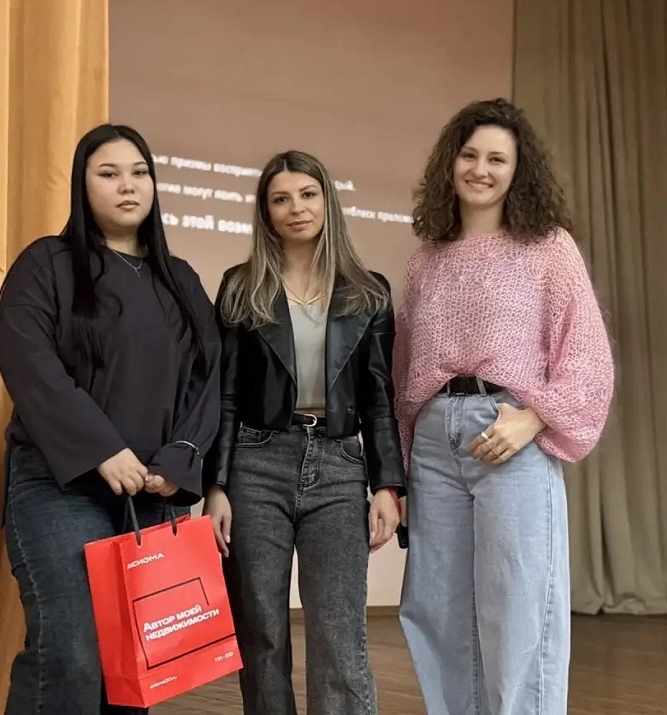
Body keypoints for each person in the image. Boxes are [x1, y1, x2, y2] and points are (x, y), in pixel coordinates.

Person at [394, 98, 615, 715]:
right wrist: (402, 464)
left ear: (519, 171)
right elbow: (404, 369)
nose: (481, 169)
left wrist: (535, 417)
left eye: (497, 159)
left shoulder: (548, 249)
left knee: (518, 605)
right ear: (450, 164)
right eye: (470, 155)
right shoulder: (425, 261)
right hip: (434, 442)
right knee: (437, 609)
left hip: (509, 434)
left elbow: (587, 354)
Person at [0, 123, 221, 715]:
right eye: (109, 173)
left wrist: (178, 460)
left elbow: (208, 381)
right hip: (60, 486)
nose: (128, 186)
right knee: (70, 653)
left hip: (154, 495)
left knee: (134, 671)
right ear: (83, 184)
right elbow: (29, 362)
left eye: (140, 173)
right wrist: (102, 449)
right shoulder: (45, 263)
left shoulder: (182, 281)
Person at [203, 150, 405, 715]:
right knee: (261, 632)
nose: (297, 207)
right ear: (266, 212)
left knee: (339, 632)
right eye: (281, 199)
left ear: (327, 201)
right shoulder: (241, 287)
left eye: (308, 194)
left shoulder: (368, 292)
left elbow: (379, 399)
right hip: (255, 464)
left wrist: (388, 485)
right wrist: (216, 486)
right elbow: (226, 395)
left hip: (339, 466)